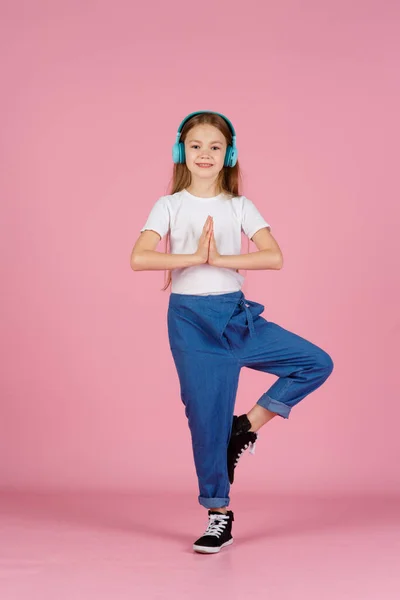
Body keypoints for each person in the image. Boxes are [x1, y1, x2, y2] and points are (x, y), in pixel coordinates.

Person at [130, 110, 334, 554]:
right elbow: (140, 257)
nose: (205, 154)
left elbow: (273, 256)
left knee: (316, 363)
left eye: (215, 147)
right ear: (181, 150)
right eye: (196, 145)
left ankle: (245, 427)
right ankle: (218, 515)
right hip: (189, 322)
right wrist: (191, 258)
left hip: (237, 318)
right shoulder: (168, 205)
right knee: (205, 421)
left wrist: (219, 259)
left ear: (230, 154)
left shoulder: (240, 206)